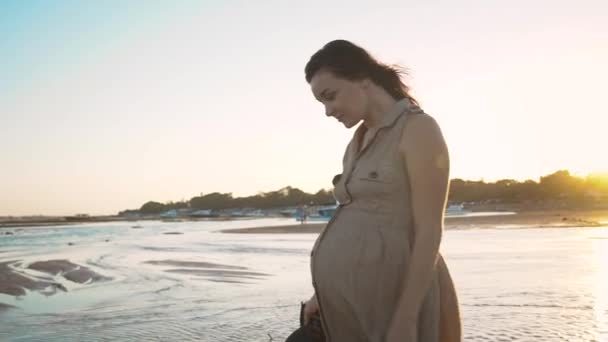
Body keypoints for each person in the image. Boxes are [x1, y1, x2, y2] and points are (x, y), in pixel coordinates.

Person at [299, 40, 462, 342]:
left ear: (363, 79)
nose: (327, 111)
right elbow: (356, 222)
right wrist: (320, 296)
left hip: (395, 301)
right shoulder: (356, 143)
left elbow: (429, 231)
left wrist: (406, 319)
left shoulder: (418, 129)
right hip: (349, 306)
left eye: (329, 96)